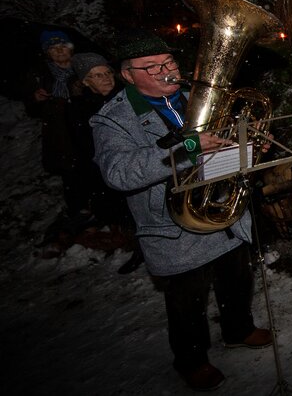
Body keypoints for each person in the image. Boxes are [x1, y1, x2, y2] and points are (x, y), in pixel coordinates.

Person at [91, 29, 272, 391]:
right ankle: (191, 360)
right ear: (127, 75)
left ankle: (238, 329)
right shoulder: (112, 119)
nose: (165, 71)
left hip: (218, 209)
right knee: (186, 299)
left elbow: (220, 142)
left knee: (237, 276)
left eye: (169, 62)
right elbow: (119, 173)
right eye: (152, 67)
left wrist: (246, 142)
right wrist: (187, 147)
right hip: (171, 223)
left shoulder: (195, 97)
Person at [71, 52, 143, 273]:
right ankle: (140, 249)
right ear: (85, 81)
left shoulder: (130, 96)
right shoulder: (80, 108)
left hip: (138, 162)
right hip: (107, 169)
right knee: (127, 214)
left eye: (107, 72)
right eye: (97, 75)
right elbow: (84, 147)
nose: (106, 78)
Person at [24, 30, 91, 254]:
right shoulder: (42, 75)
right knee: (69, 171)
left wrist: (82, 93)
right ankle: (78, 210)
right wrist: (36, 99)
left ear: (71, 48)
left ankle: (97, 206)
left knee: (91, 165)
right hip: (60, 130)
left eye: (63, 46)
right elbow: (31, 106)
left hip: (85, 125)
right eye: (54, 48)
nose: (59, 51)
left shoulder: (83, 67)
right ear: (47, 53)